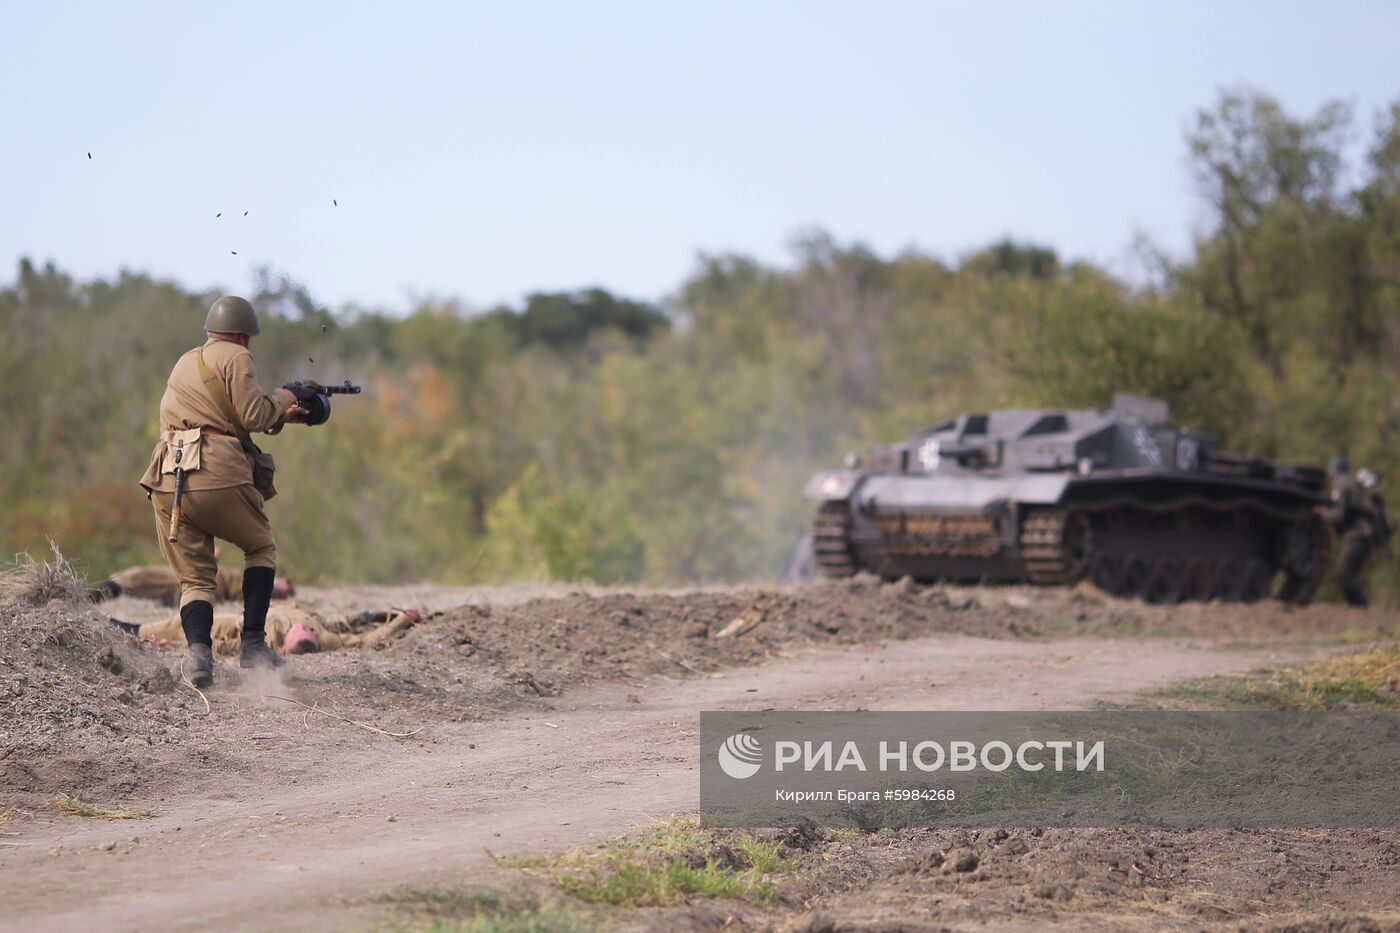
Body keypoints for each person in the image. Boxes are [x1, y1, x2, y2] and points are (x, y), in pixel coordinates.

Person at [138, 295, 320, 687]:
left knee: (196, 580)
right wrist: (286, 397)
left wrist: (278, 416)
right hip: (216, 471)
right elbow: (252, 415)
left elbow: (217, 415)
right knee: (260, 547)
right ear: (244, 336)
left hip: (168, 477)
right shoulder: (238, 357)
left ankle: (199, 657)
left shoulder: (186, 361)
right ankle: (253, 645)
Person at [114, 604, 429, 656]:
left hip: (244, 622)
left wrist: (177, 646)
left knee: (183, 624)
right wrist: (399, 620)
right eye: (305, 632)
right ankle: (372, 613)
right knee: (342, 619)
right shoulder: (320, 634)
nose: (301, 630)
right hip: (310, 611)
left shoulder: (269, 641)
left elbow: (225, 647)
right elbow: (365, 638)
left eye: (299, 634)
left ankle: (128, 629)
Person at [1328, 463, 1392, 608]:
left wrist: (1320, 514)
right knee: (1348, 573)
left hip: (1358, 537)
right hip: (1362, 538)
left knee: (1343, 573)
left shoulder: (1347, 488)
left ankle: (1361, 606)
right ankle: (1357, 606)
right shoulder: (1364, 497)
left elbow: (1338, 515)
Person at [87, 562, 294, 605]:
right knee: (143, 581)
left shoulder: (261, 587)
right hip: (205, 575)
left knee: (140, 578)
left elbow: (250, 594)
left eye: (286, 586)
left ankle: (90, 595)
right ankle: (93, 594)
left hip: (206, 578)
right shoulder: (253, 578)